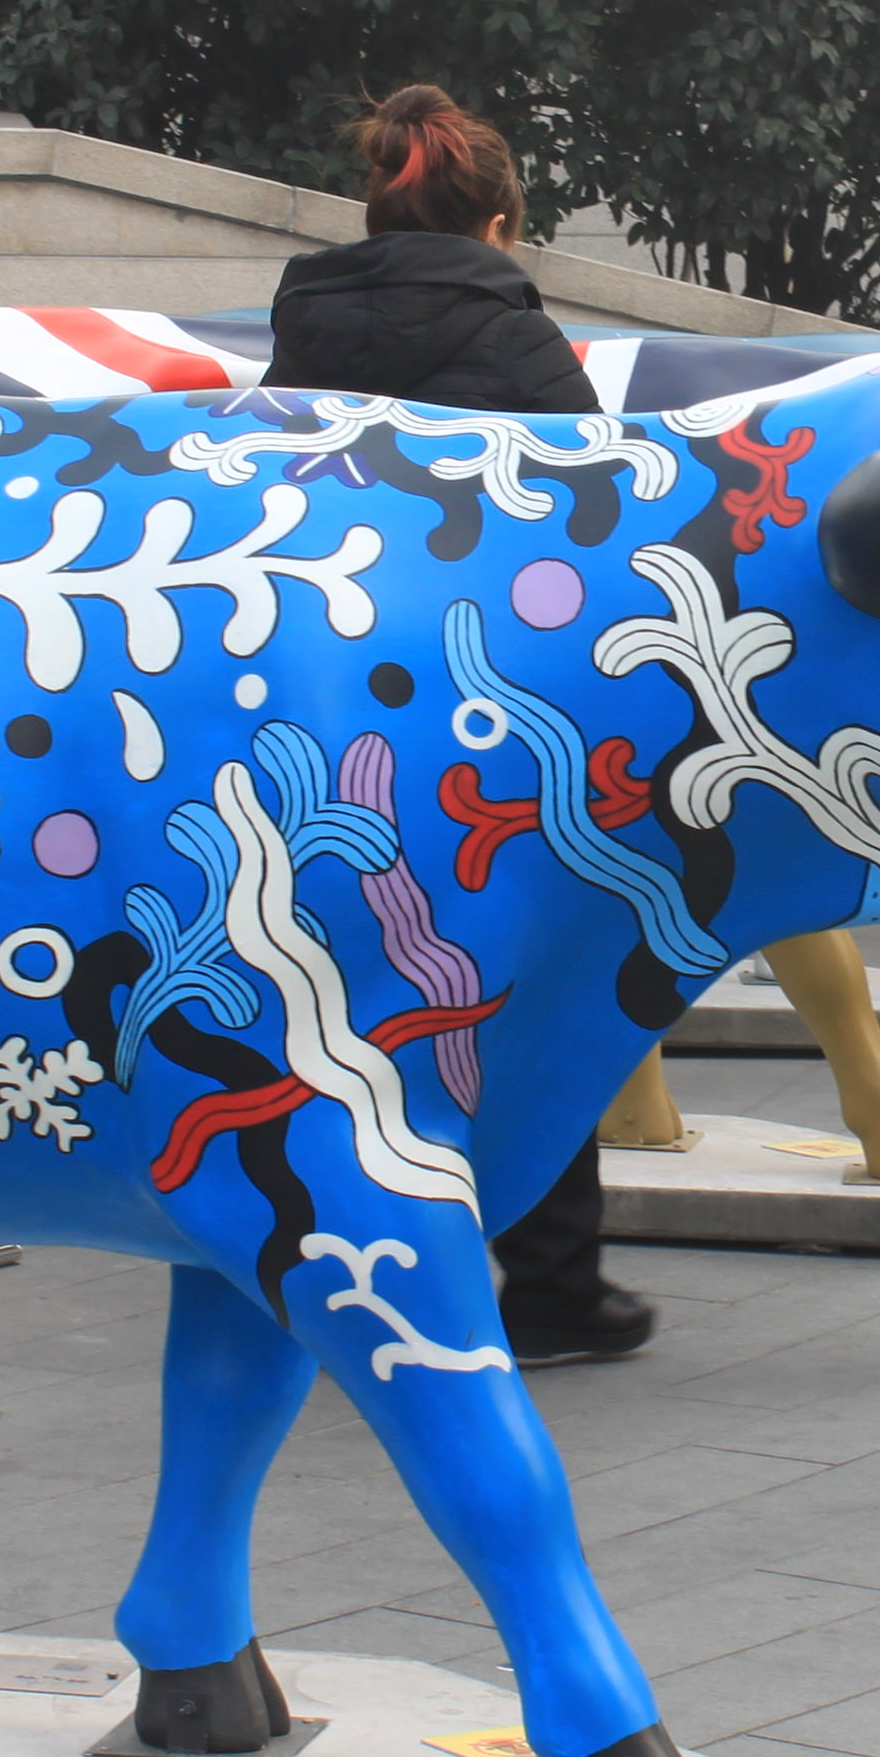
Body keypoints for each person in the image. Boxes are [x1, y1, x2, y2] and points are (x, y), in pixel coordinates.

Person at [261, 86, 653, 1366]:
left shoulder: (299, 332)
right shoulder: (524, 347)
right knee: (528, 994)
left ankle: (318, 1260)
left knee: (323, 994)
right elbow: (606, 532)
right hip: (489, 728)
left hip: (322, 724)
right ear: (498, 224)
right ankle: (550, 1284)